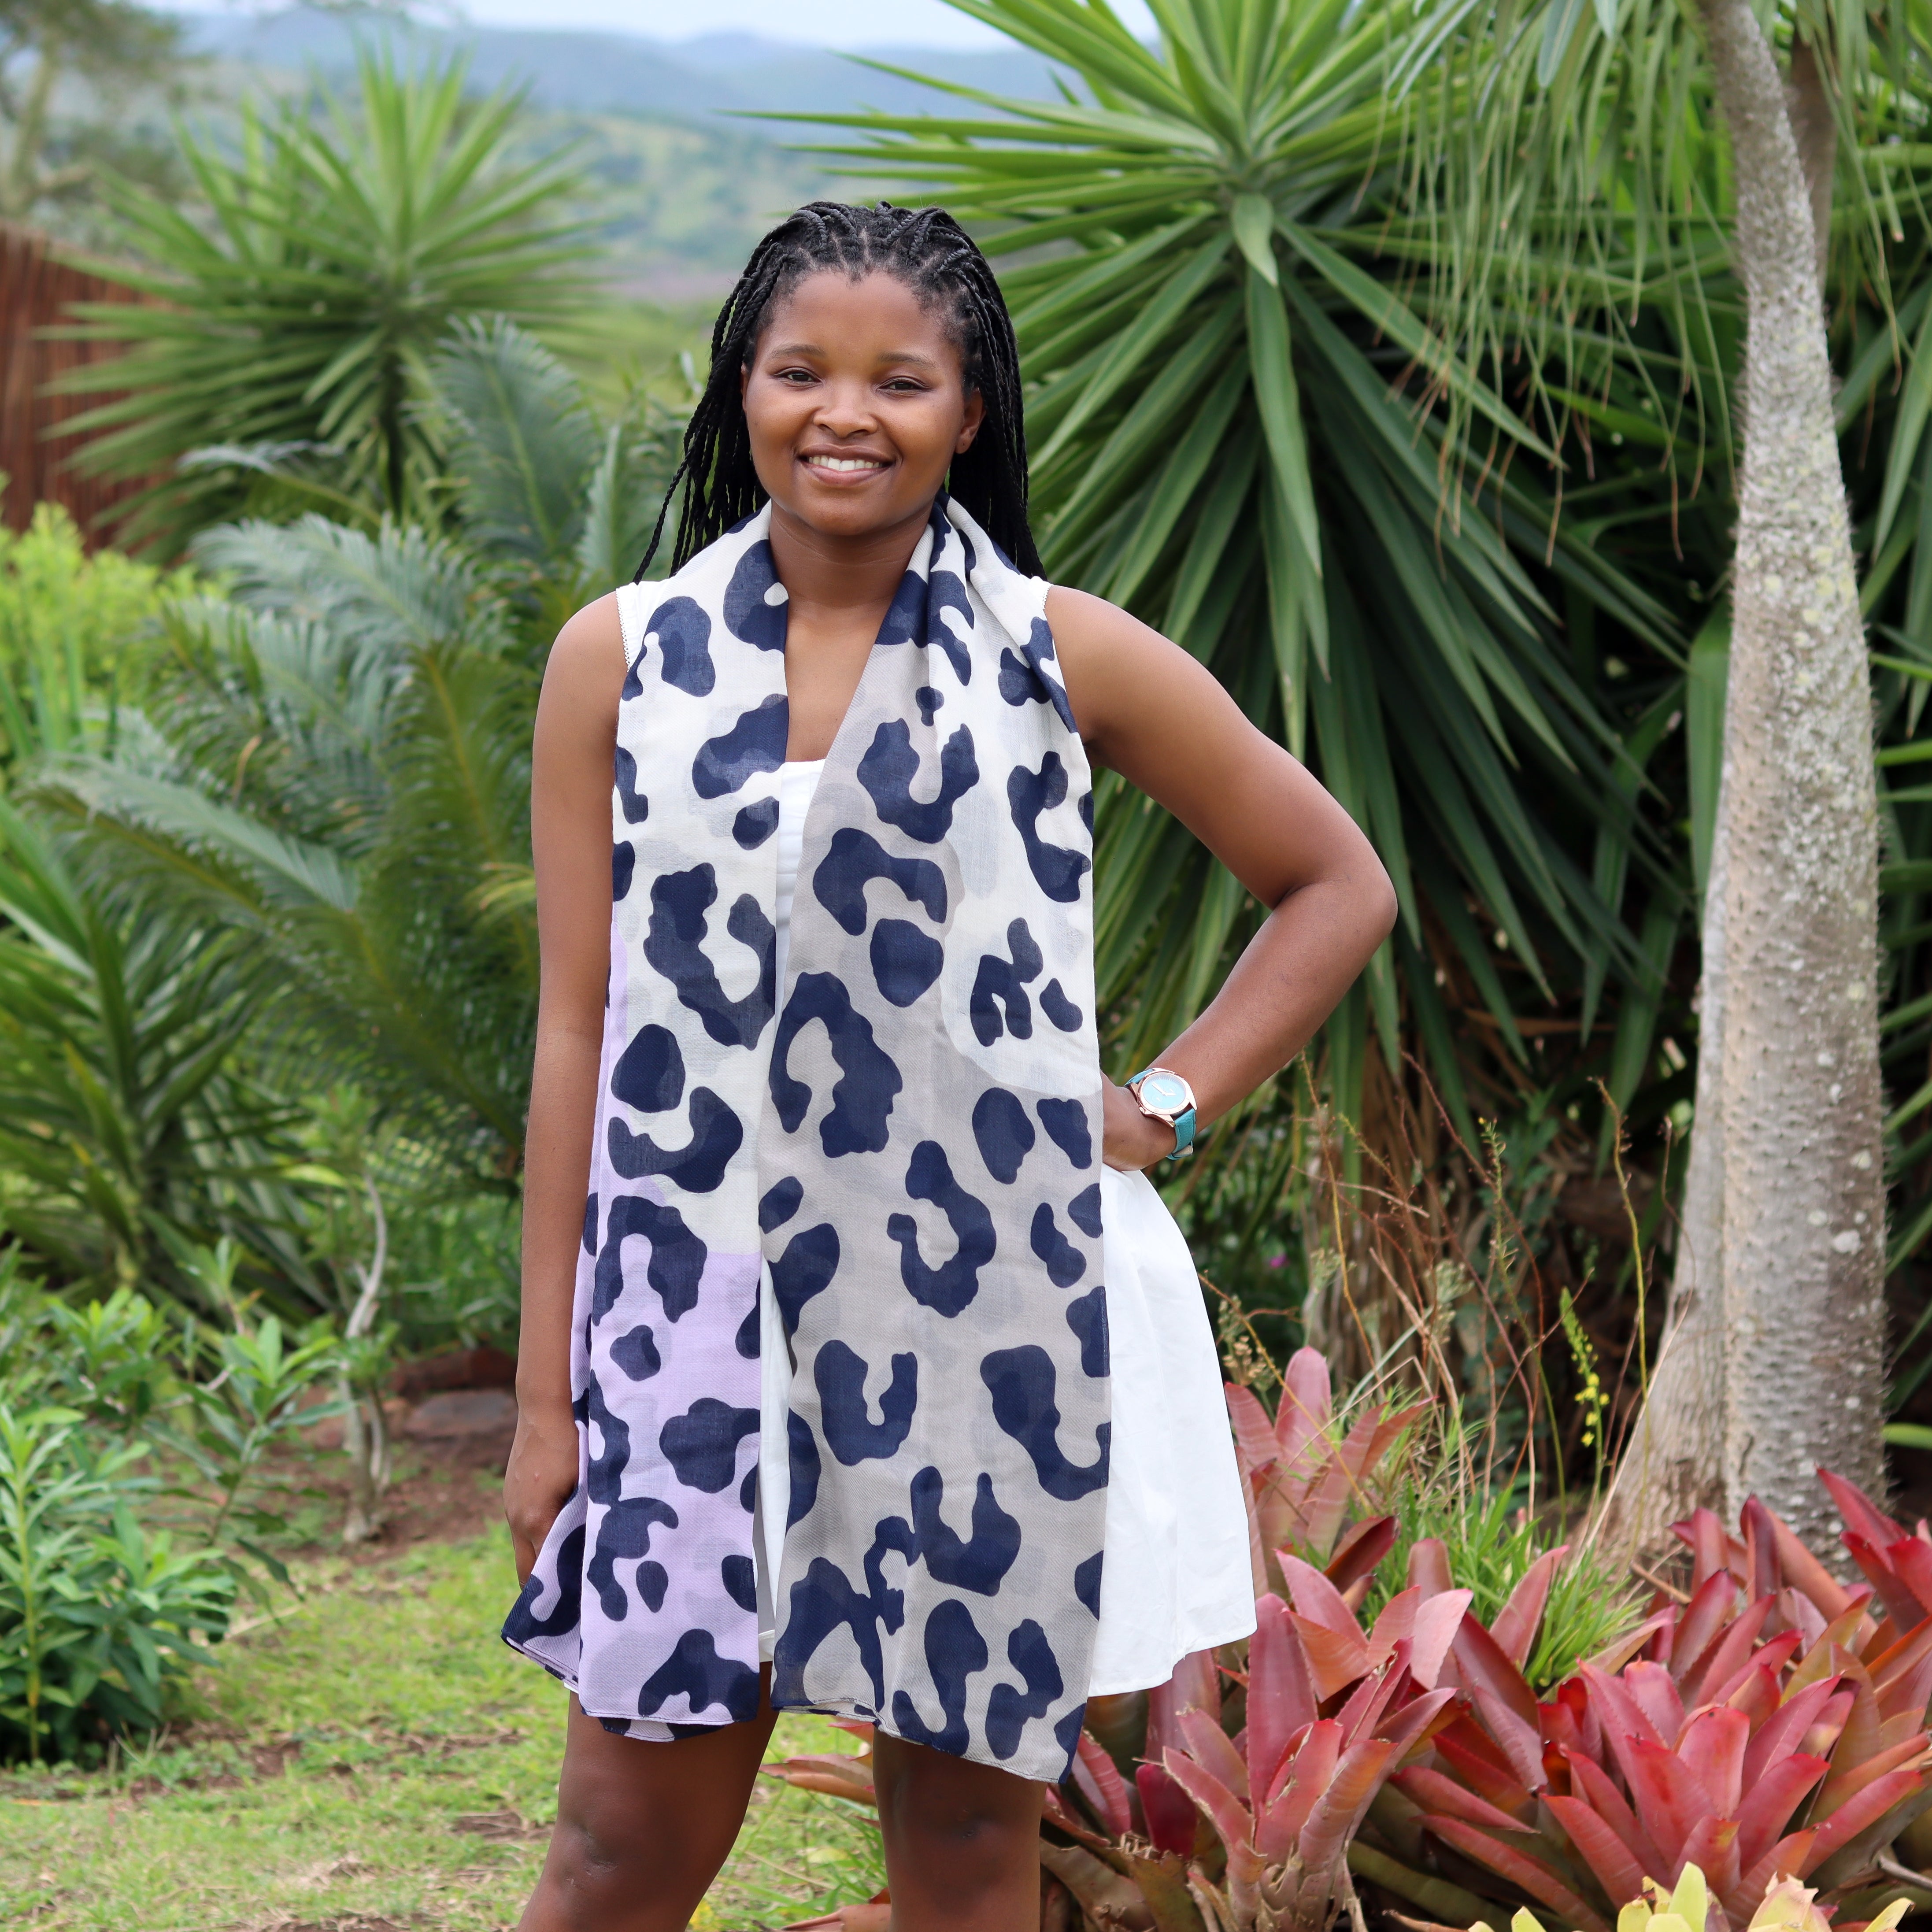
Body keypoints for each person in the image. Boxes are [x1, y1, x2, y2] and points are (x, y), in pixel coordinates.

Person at [501, 200, 1397, 1932]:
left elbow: (1331, 880)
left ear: (966, 409)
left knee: (970, 1850)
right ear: (738, 388)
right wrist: (550, 1399)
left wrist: (1159, 1104)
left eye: (897, 380)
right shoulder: (617, 660)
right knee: (616, 1846)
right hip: (688, 1318)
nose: (843, 412)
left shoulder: (1061, 652)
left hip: (982, 1325)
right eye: (798, 371)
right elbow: (576, 1031)